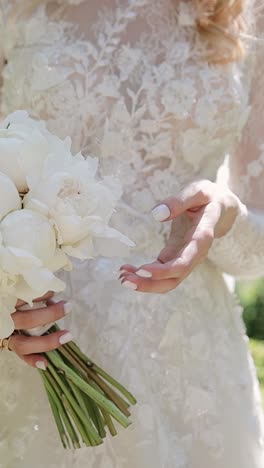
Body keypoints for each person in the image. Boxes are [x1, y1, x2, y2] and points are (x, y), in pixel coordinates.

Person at [0, 0, 264, 467]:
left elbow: (256, 250)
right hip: (32, 338)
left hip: (187, 368)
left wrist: (228, 220)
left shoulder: (249, 13)